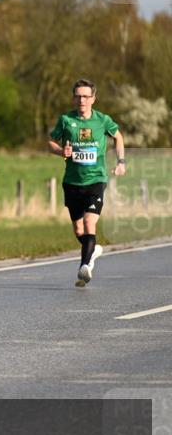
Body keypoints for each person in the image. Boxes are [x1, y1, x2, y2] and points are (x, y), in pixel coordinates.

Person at [48, 78, 126, 287]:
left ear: (93, 98)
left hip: (96, 180)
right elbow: (51, 142)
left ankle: (84, 267)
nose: (82, 100)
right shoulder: (66, 120)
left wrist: (121, 162)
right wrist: (60, 151)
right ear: (74, 98)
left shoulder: (103, 120)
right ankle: (93, 251)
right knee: (79, 231)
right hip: (72, 181)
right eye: (78, 96)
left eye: (86, 96)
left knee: (90, 223)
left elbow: (118, 137)